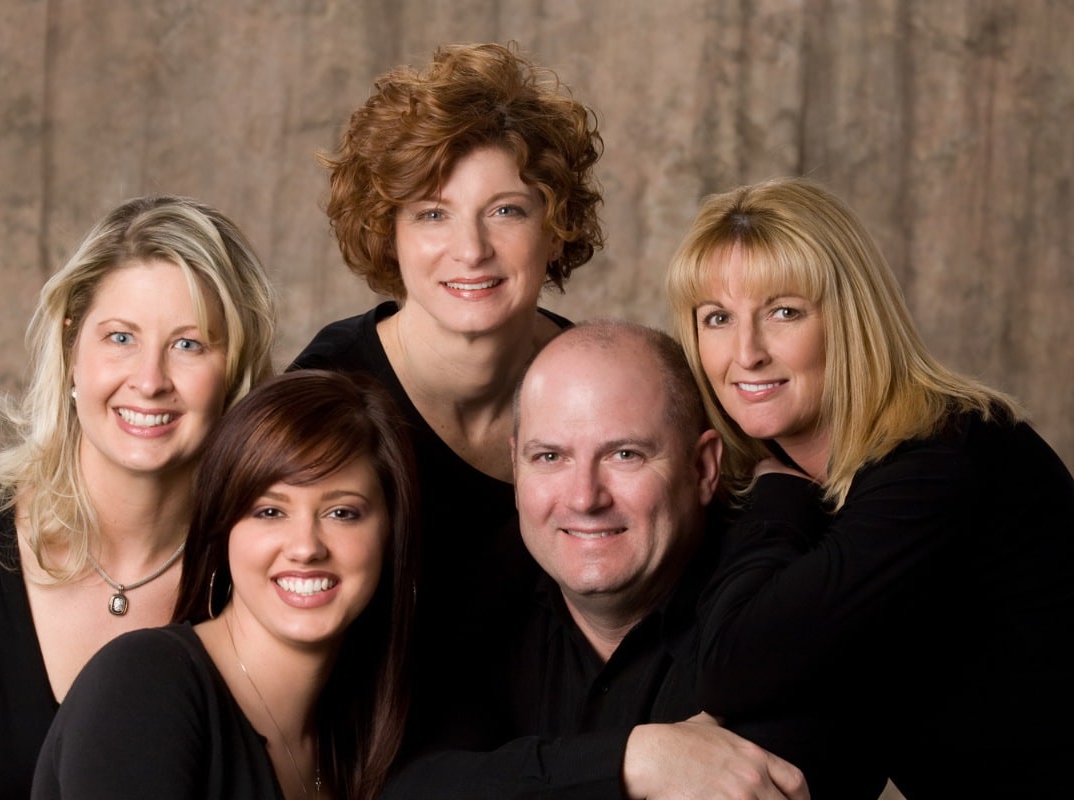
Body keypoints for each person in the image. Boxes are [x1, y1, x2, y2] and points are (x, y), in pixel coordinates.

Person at [666, 175, 1074, 797]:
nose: (745, 353)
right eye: (717, 318)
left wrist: (777, 496)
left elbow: (730, 669)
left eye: (784, 312)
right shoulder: (836, 478)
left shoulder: (942, 460)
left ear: (851, 320)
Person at [0, 195, 278, 800]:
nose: (149, 379)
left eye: (189, 344)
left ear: (236, 370)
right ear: (71, 350)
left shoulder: (266, 570)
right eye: (120, 337)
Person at [290, 41, 604, 753]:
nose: (471, 249)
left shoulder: (602, 384)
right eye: (432, 213)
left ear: (555, 230)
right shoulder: (329, 395)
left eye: (506, 211)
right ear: (388, 233)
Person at [383, 319, 829, 800]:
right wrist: (634, 760)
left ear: (703, 468)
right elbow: (409, 785)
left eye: (624, 454)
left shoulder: (779, 610)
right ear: (515, 467)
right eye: (550, 457)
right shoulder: (477, 601)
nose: (584, 498)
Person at [32, 369, 419, 800]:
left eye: (342, 513)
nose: (306, 547)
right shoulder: (144, 687)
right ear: (223, 530)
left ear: (390, 532)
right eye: (269, 512)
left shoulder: (359, 740)